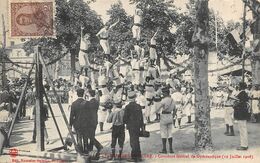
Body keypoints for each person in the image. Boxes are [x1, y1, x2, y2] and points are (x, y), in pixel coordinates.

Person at [78, 89, 103, 154]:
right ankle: (91, 148)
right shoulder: (96, 101)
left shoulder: (89, 102)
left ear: (89, 94)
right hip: (95, 120)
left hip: (89, 121)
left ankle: (98, 146)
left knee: (89, 135)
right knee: (92, 135)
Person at [123, 90, 144, 162]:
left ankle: (134, 157)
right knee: (136, 140)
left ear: (129, 98)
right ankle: (139, 156)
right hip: (137, 125)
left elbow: (125, 118)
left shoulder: (127, 107)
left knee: (133, 141)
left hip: (131, 126)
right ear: (135, 97)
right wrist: (142, 126)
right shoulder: (138, 106)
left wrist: (126, 123)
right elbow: (141, 117)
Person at [154, 86, 176, 153]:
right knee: (170, 133)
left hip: (164, 116)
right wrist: (173, 116)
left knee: (163, 133)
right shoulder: (172, 100)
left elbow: (157, 110)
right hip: (170, 115)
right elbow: (175, 110)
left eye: (163, 93)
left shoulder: (163, 100)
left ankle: (164, 149)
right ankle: (171, 149)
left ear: (165, 93)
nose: (162, 94)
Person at [233, 82, 250, 150]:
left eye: (239, 85)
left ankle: (244, 145)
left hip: (241, 113)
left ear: (241, 86)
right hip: (242, 113)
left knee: (242, 129)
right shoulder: (244, 93)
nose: (238, 86)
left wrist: (235, 104)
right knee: (243, 129)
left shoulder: (242, 93)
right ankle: (244, 144)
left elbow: (241, 102)